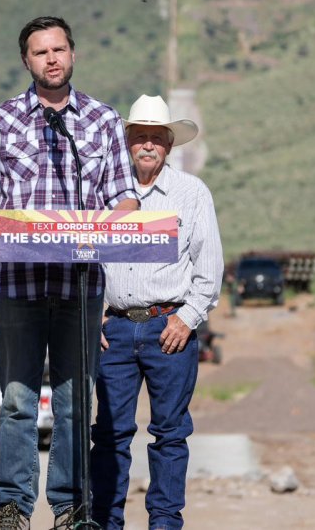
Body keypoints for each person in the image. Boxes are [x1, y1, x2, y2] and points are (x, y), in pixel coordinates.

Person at [0, 16, 140, 530]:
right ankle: (14, 506)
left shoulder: (103, 122)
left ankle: (69, 506)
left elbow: (125, 198)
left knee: (74, 402)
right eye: (40, 52)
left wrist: (102, 231)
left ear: (73, 54)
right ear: (26, 61)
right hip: (18, 286)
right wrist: (7, 238)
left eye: (59, 49)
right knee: (17, 399)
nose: (51, 59)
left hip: (79, 286)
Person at [89, 94, 224, 530]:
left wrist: (187, 319)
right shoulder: (101, 192)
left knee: (170, 432)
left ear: (169, 144)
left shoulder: (191, 194)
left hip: (170, 326)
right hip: (115, 328)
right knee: (109, 433)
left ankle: (164, 523)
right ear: (125, 141)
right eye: (139, 137)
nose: (147, 146)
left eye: (156, 138)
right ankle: (106, 520)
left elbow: (209, 266)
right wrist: (92, 317)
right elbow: (81, 257)